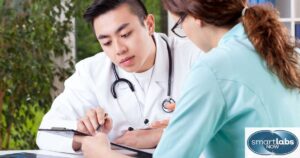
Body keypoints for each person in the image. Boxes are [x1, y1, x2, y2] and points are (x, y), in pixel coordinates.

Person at [78, 0, 300, 157]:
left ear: (196, 18)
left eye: (179, 25)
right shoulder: (274, 51)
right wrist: (177, 130)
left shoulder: (214, 68)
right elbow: (278, 143)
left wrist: (101, 153)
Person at [36, 0, 201, 153]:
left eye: (125, 35)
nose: (118, 49)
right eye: (107, 43)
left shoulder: (195, 57)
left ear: (149, 24)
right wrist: (84, 135)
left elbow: (219, 128)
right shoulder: (91, 72)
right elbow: (45, 133)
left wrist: (164, 134)